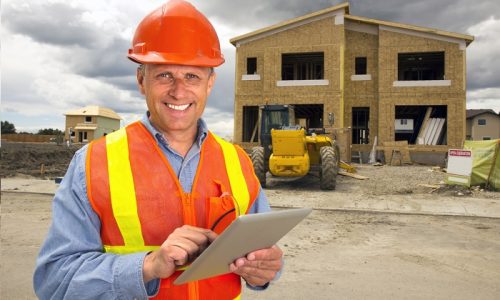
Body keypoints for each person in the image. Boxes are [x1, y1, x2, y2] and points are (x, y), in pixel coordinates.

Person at [33, 1, 283, 299]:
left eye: (192, 76)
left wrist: (265, 270)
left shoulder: (237, 162)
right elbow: (54, 282)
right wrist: (148, 266)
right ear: (142, 81)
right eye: (164, 75)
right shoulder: (93, 162)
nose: (179, 91)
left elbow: (262, 254)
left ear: (210, 83)